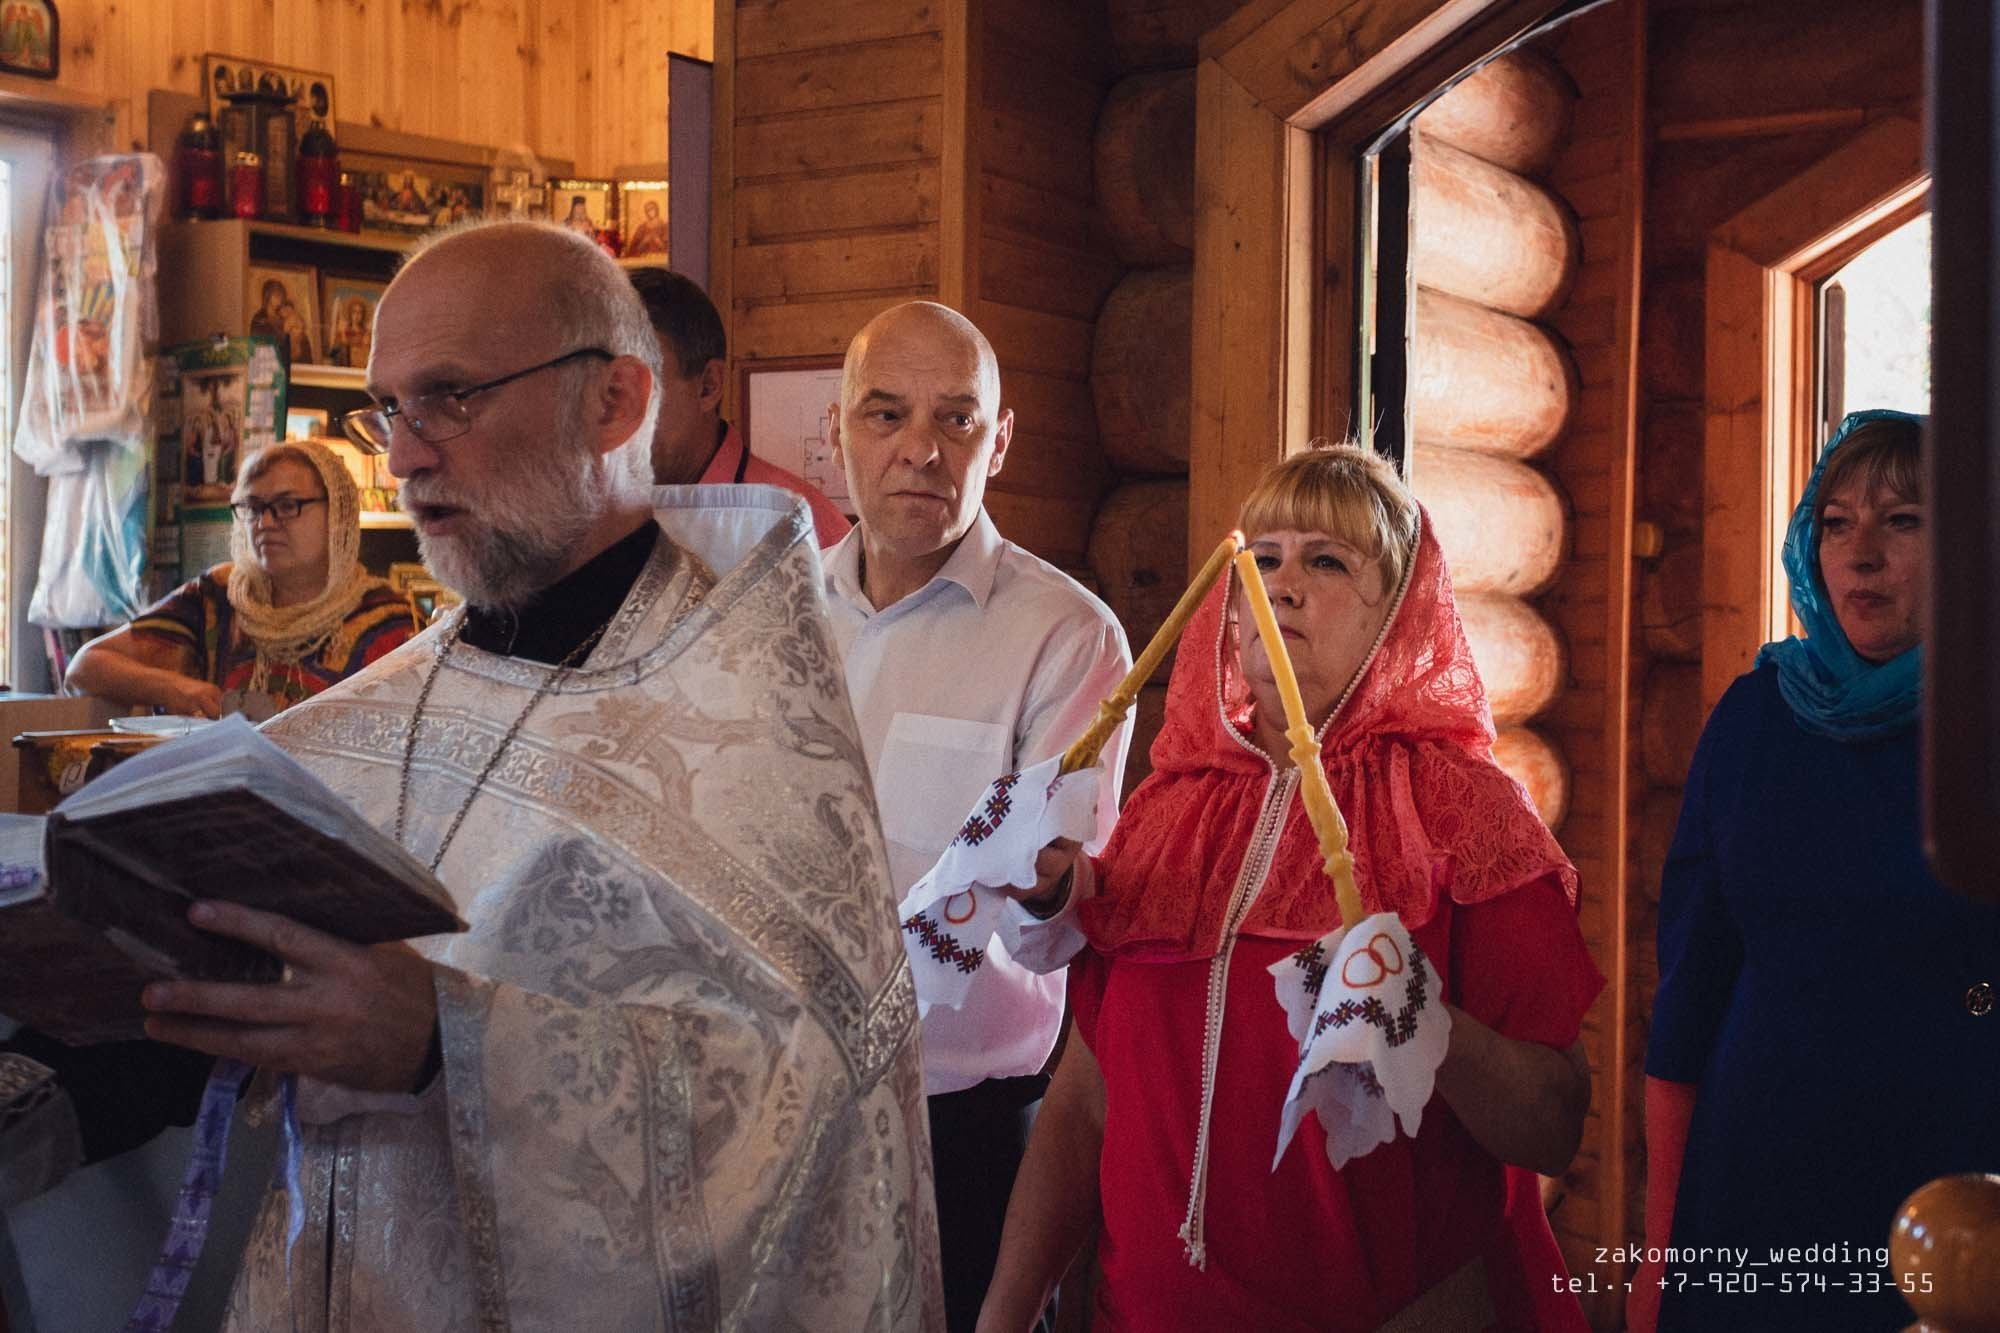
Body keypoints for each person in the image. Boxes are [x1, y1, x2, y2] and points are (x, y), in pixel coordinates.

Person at [8, 220, 941, 1329]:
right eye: (386, 409)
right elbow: (243, 1011)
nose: (402, 453)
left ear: (615, 402)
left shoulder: (752, 728)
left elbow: (808, 1095)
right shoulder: (367, 714)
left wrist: (447, 1049)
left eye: (450, 397)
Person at [979, 444, 1600, 1333]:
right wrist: (1007, 1309)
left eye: (1329, 560)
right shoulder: (1168, 808)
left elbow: (1553, 1124)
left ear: (1398, 612)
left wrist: (1432, 1025)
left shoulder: (1460, 811)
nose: (1284, 585)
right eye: (1260, 560)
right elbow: (1086, 1099)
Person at [1631, 410, 2000, 1333]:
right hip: (1757, 1162)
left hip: (1952, 1180)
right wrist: (1660, 1250)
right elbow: (1689, 990)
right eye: (1836, 523)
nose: (1860, 555)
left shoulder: (1987, 722)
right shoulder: (1756, 716)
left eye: (1903, 521)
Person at [824, 300, 1132, 1331]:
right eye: (884, 414)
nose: (920, 448)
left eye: (957, 420)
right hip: (778, 1099)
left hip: (963, 1129)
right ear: (835, 433)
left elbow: (1056, 939)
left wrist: (1048, 884)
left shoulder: (1065, 636)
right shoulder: (775, 609)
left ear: (998, 443)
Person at [66, 437, 413, 721]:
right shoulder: (221, 596)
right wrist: (174, 687)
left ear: (338, 514)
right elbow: (85, 668)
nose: (264, 524)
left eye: (288, 505)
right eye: (252, 508)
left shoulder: (387, 620)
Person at [629, 266, 850, 546]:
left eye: (642, 387)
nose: (615, 415)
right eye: (608, 391)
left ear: (709, 386)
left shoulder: (804, 530)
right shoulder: (596, 525)